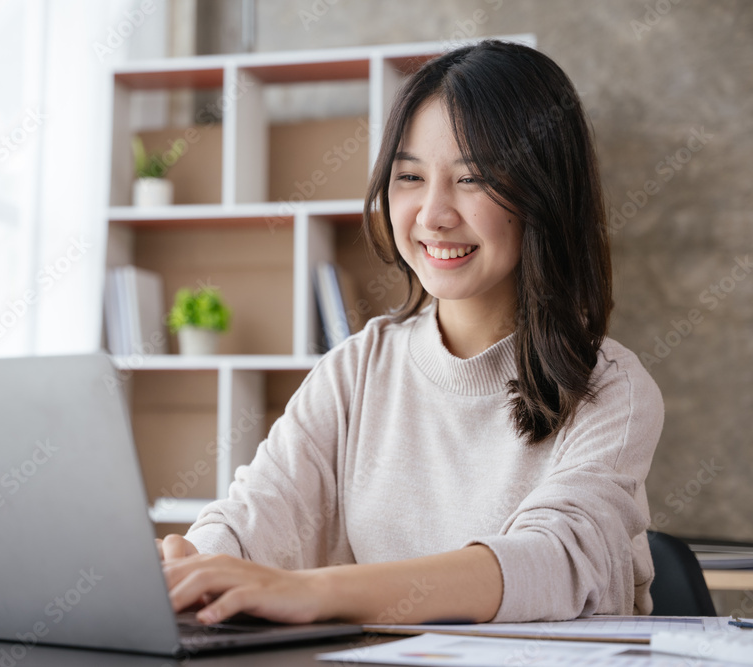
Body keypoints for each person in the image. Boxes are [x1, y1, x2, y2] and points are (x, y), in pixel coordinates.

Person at [157, 39, 664, 626]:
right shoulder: (356, 368)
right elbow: (257, 515)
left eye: (473, 178)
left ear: (545, 192)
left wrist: (317, 591)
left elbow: (555, 564)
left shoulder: (610, 388)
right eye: (410, 176)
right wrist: (194, 563)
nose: (433, 213)